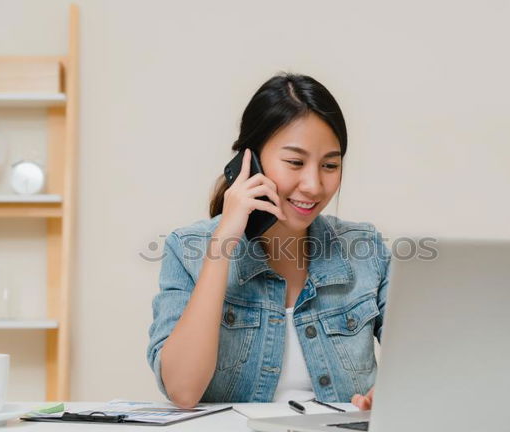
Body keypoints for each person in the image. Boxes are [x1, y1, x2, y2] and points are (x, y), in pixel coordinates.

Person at [146, 72, 390, 410]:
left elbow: (425, 361)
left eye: (330, 165)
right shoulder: (187, 248)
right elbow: (183, 391)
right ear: (251, 160)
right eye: (295, 162)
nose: (314, 185)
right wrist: (222, 246)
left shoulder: (366, 250)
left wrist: (396, 394)